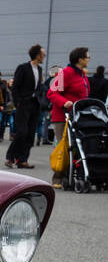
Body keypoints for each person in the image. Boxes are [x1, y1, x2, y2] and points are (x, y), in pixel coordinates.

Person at [47, 47, 92, 187]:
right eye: (87, 57)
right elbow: (51, 93)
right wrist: (64, 102)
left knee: (77, 146)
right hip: (63, 116)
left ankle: (73, 175)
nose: (89, 59)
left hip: (78, 116)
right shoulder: (64, 73)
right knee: (64, 147)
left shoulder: (82, 75)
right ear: (80, 59)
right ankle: (58, 178)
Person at [6, 44, 46, 169]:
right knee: (21, 132)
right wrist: (17, 102)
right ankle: (10, 157)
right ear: (37, 55)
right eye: (43, 54)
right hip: (23, 104)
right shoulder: (23, 68)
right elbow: (15, 86)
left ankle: (22, 160)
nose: (44, 56)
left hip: (35, 104)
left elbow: (38, 87)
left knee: (30, 134)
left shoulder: (39, 70)